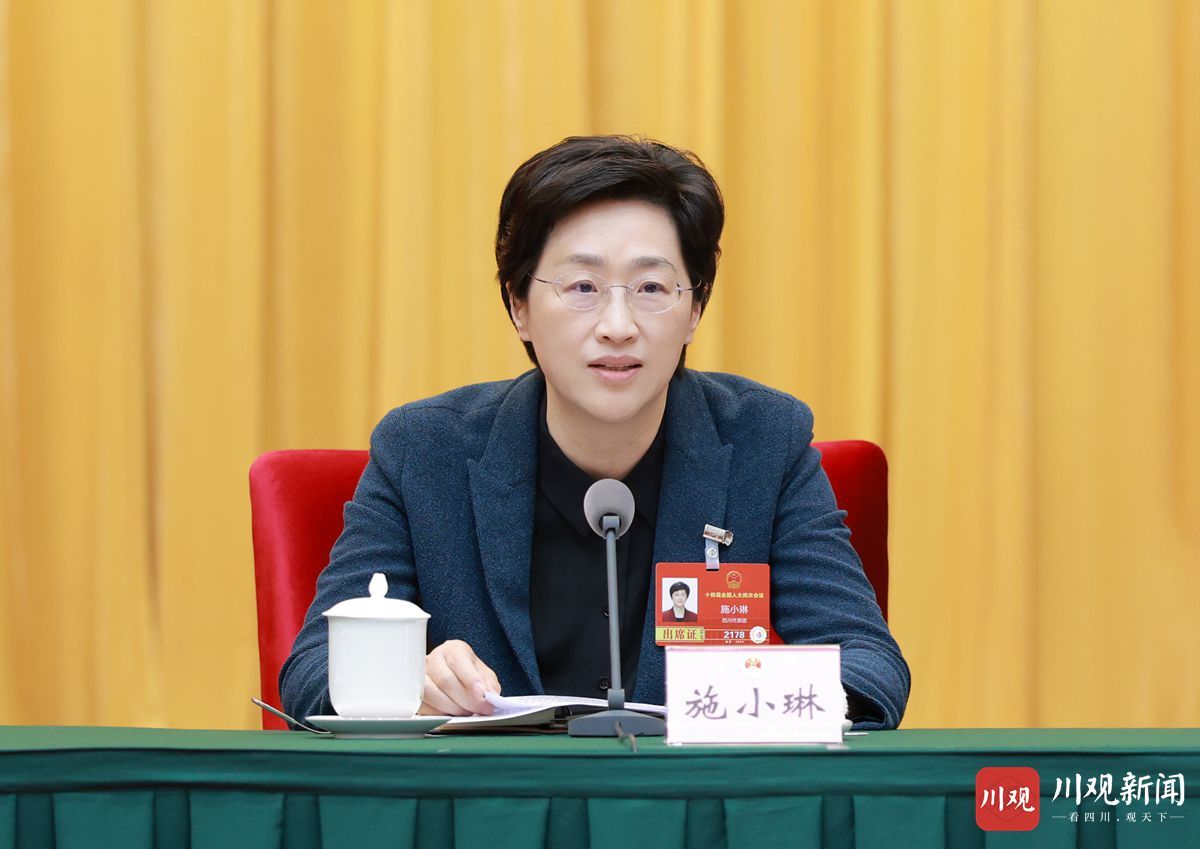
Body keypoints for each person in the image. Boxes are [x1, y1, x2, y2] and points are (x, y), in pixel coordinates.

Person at [280, 135, 910, 729]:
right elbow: (311, 671)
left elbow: (869, 667)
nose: (617, 325)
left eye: (651, 287)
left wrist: (756, 699)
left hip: (687, 796)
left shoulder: (762, 444)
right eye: (582, 286)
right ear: (519, 306)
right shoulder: (425, 452)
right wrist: (403, 682)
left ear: (695, 310)